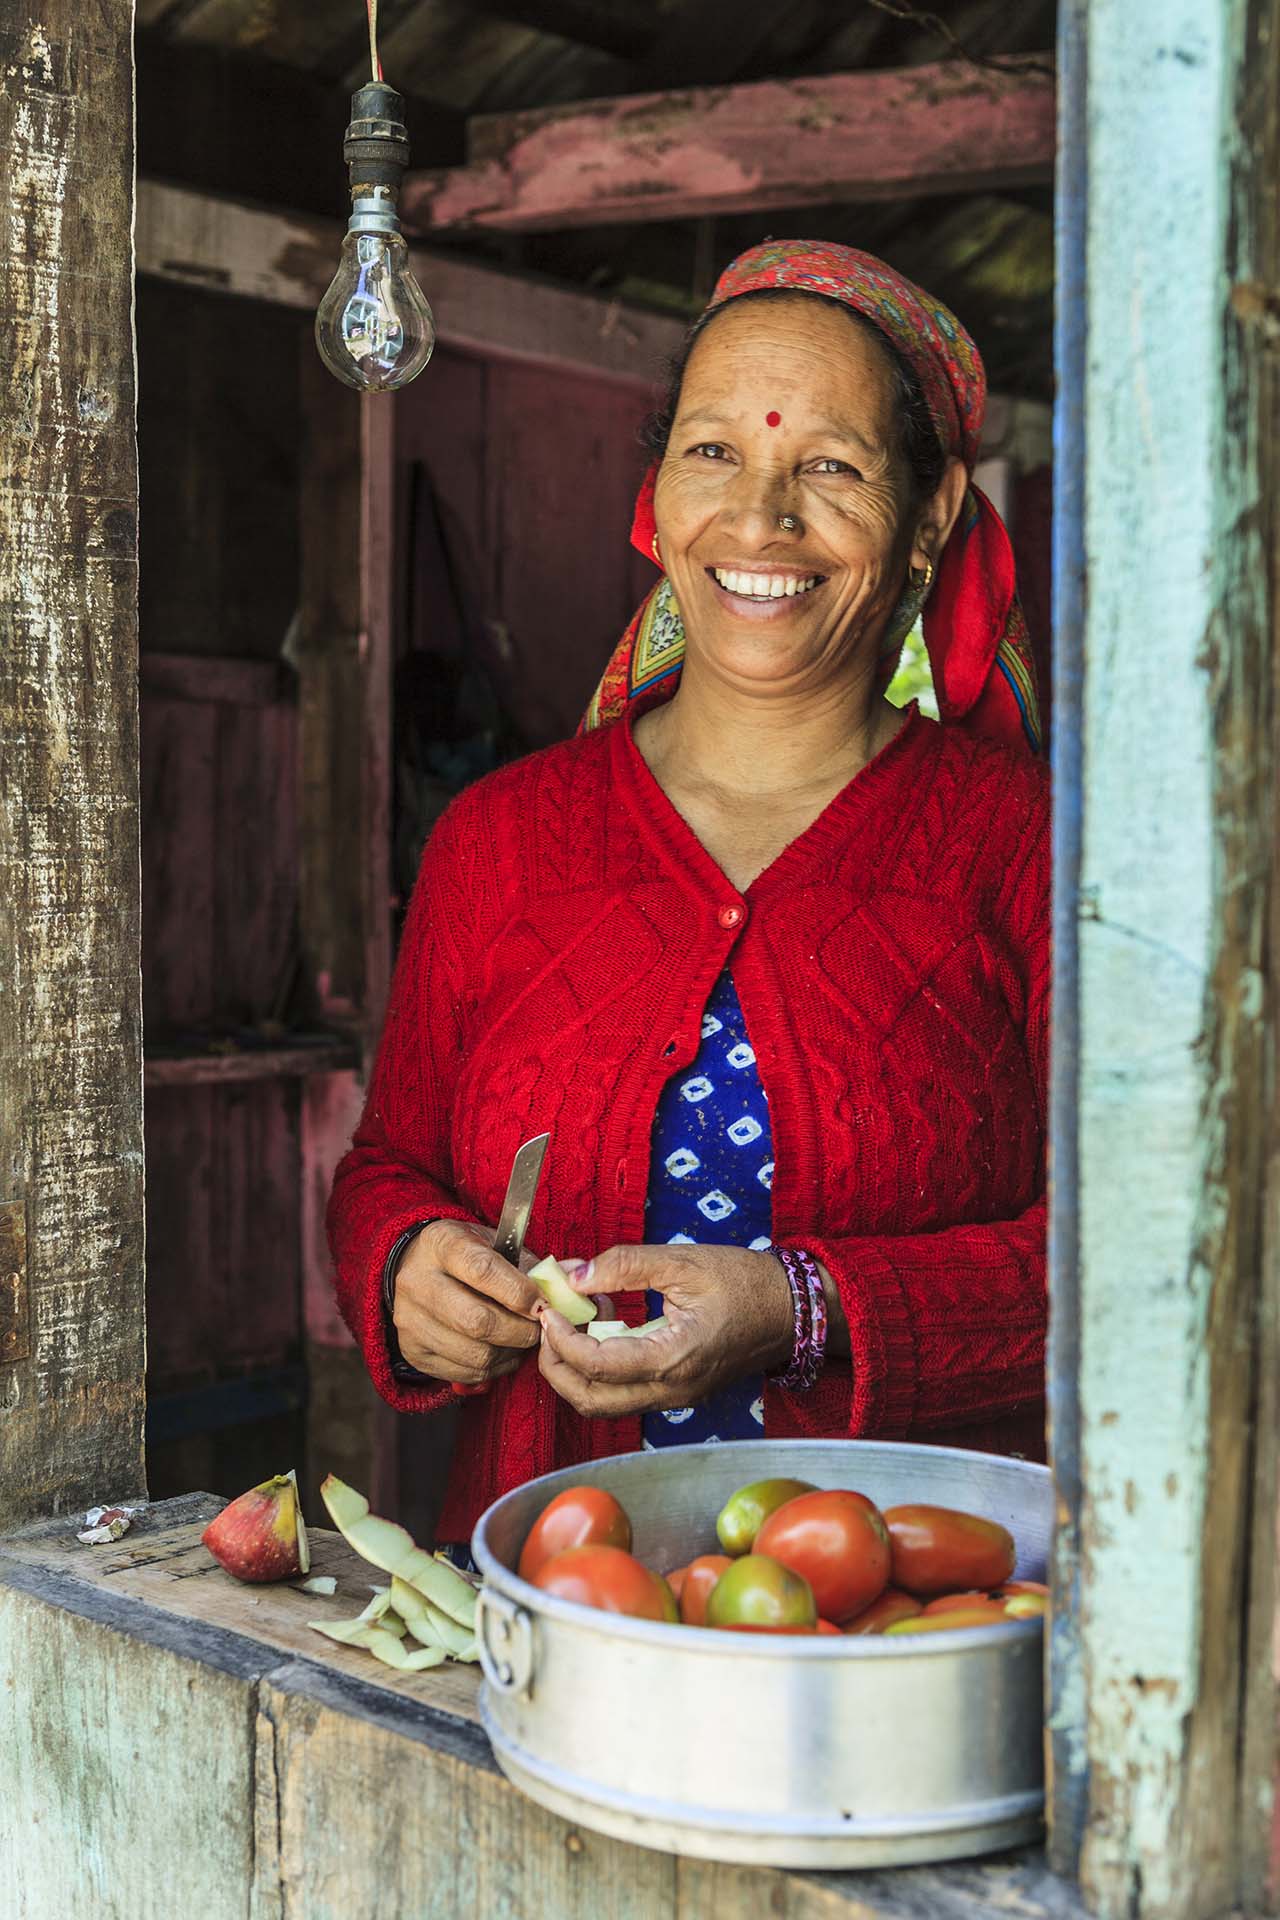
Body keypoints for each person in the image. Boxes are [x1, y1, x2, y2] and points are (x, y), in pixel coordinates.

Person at [327, 240, 1049, 1550]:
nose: (761, 519)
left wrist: (804, 1308)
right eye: (714, 451)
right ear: (658, 492)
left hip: (907, 1631)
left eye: (828, 466)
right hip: (560, 1616)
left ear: (934, 514)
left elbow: (1160, 1260)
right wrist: (406, 1267)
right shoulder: (498, 842)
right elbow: (392, 1165)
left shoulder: (1031, 852)